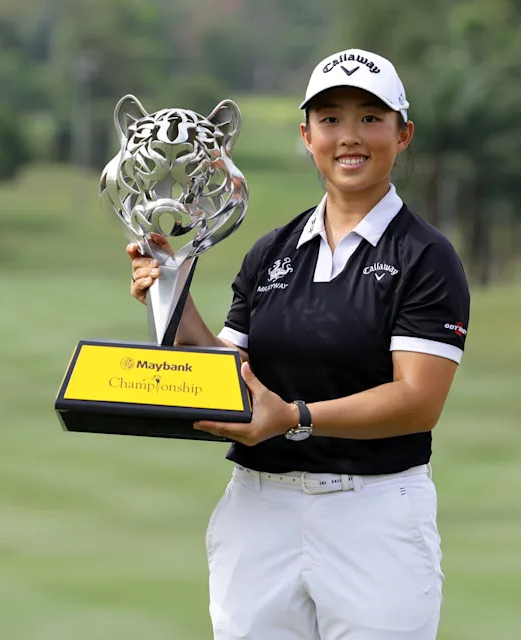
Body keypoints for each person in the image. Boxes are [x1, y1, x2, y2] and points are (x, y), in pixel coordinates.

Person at [127, 48, 470, 640]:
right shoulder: (272, 251)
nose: (349, 136)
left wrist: (295, 417)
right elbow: (233, 374)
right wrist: (173, 297)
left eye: (370, 117)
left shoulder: (425, 256)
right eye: (331, 118)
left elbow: (418, 400)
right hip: (258, 511)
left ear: (402, 133)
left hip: (374, 511)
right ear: (307, 134)